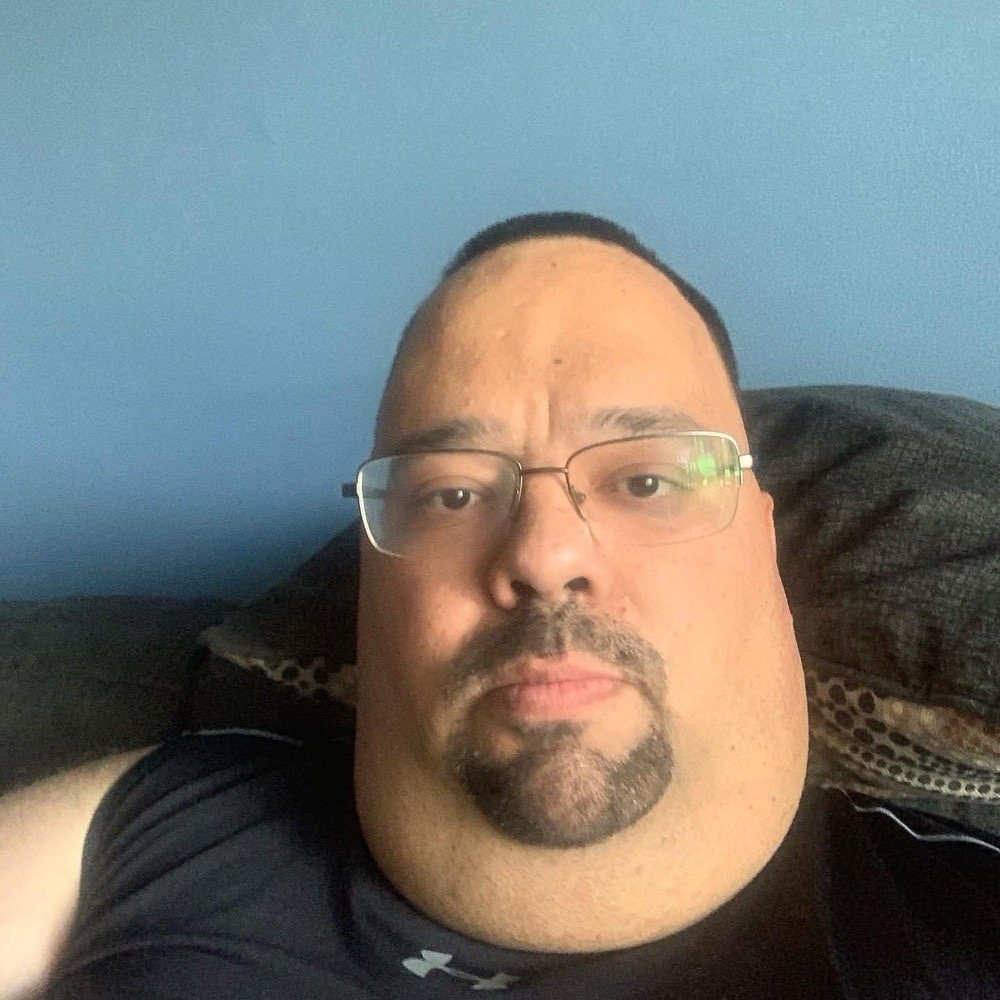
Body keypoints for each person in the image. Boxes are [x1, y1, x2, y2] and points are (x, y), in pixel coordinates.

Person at [1, 212, 996, 1000]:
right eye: (452, 494)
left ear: (762, 539)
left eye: (646, 480)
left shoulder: (952, 922)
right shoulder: (156, 828)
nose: (544, 553)